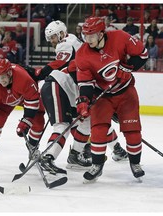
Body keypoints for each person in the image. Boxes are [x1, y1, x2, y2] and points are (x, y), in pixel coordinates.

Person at [27, 20, 127, 174]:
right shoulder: (82, 49)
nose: (52, 41)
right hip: (59, 86)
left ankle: (75, 156)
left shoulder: (71, 44)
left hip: (69, 90)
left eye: (53, 37)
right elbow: (69, 67)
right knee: (64, 126)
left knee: (90, 121)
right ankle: (48, 157)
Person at [75, 17, 148, 182]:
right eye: (85, 36)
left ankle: (135, 164)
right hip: (102, 96)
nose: (87, 40)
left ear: (101, 33)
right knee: (98, 130)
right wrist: (84, 101)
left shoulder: (120, 37)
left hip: (126, 92)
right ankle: (97, 165)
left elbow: (142, 55)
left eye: (91, 36)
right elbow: (85, 83)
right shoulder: (82, 54)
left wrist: (127, 68)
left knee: (133, 131)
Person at [0, 58, 45, 167]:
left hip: (25, 98)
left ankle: (33, 147)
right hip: (5, 101)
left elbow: (32, 100)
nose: (1, 80)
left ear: (9, 73)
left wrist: (26, 120)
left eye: (3, 77)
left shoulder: (23, 78)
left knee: (38, 121)